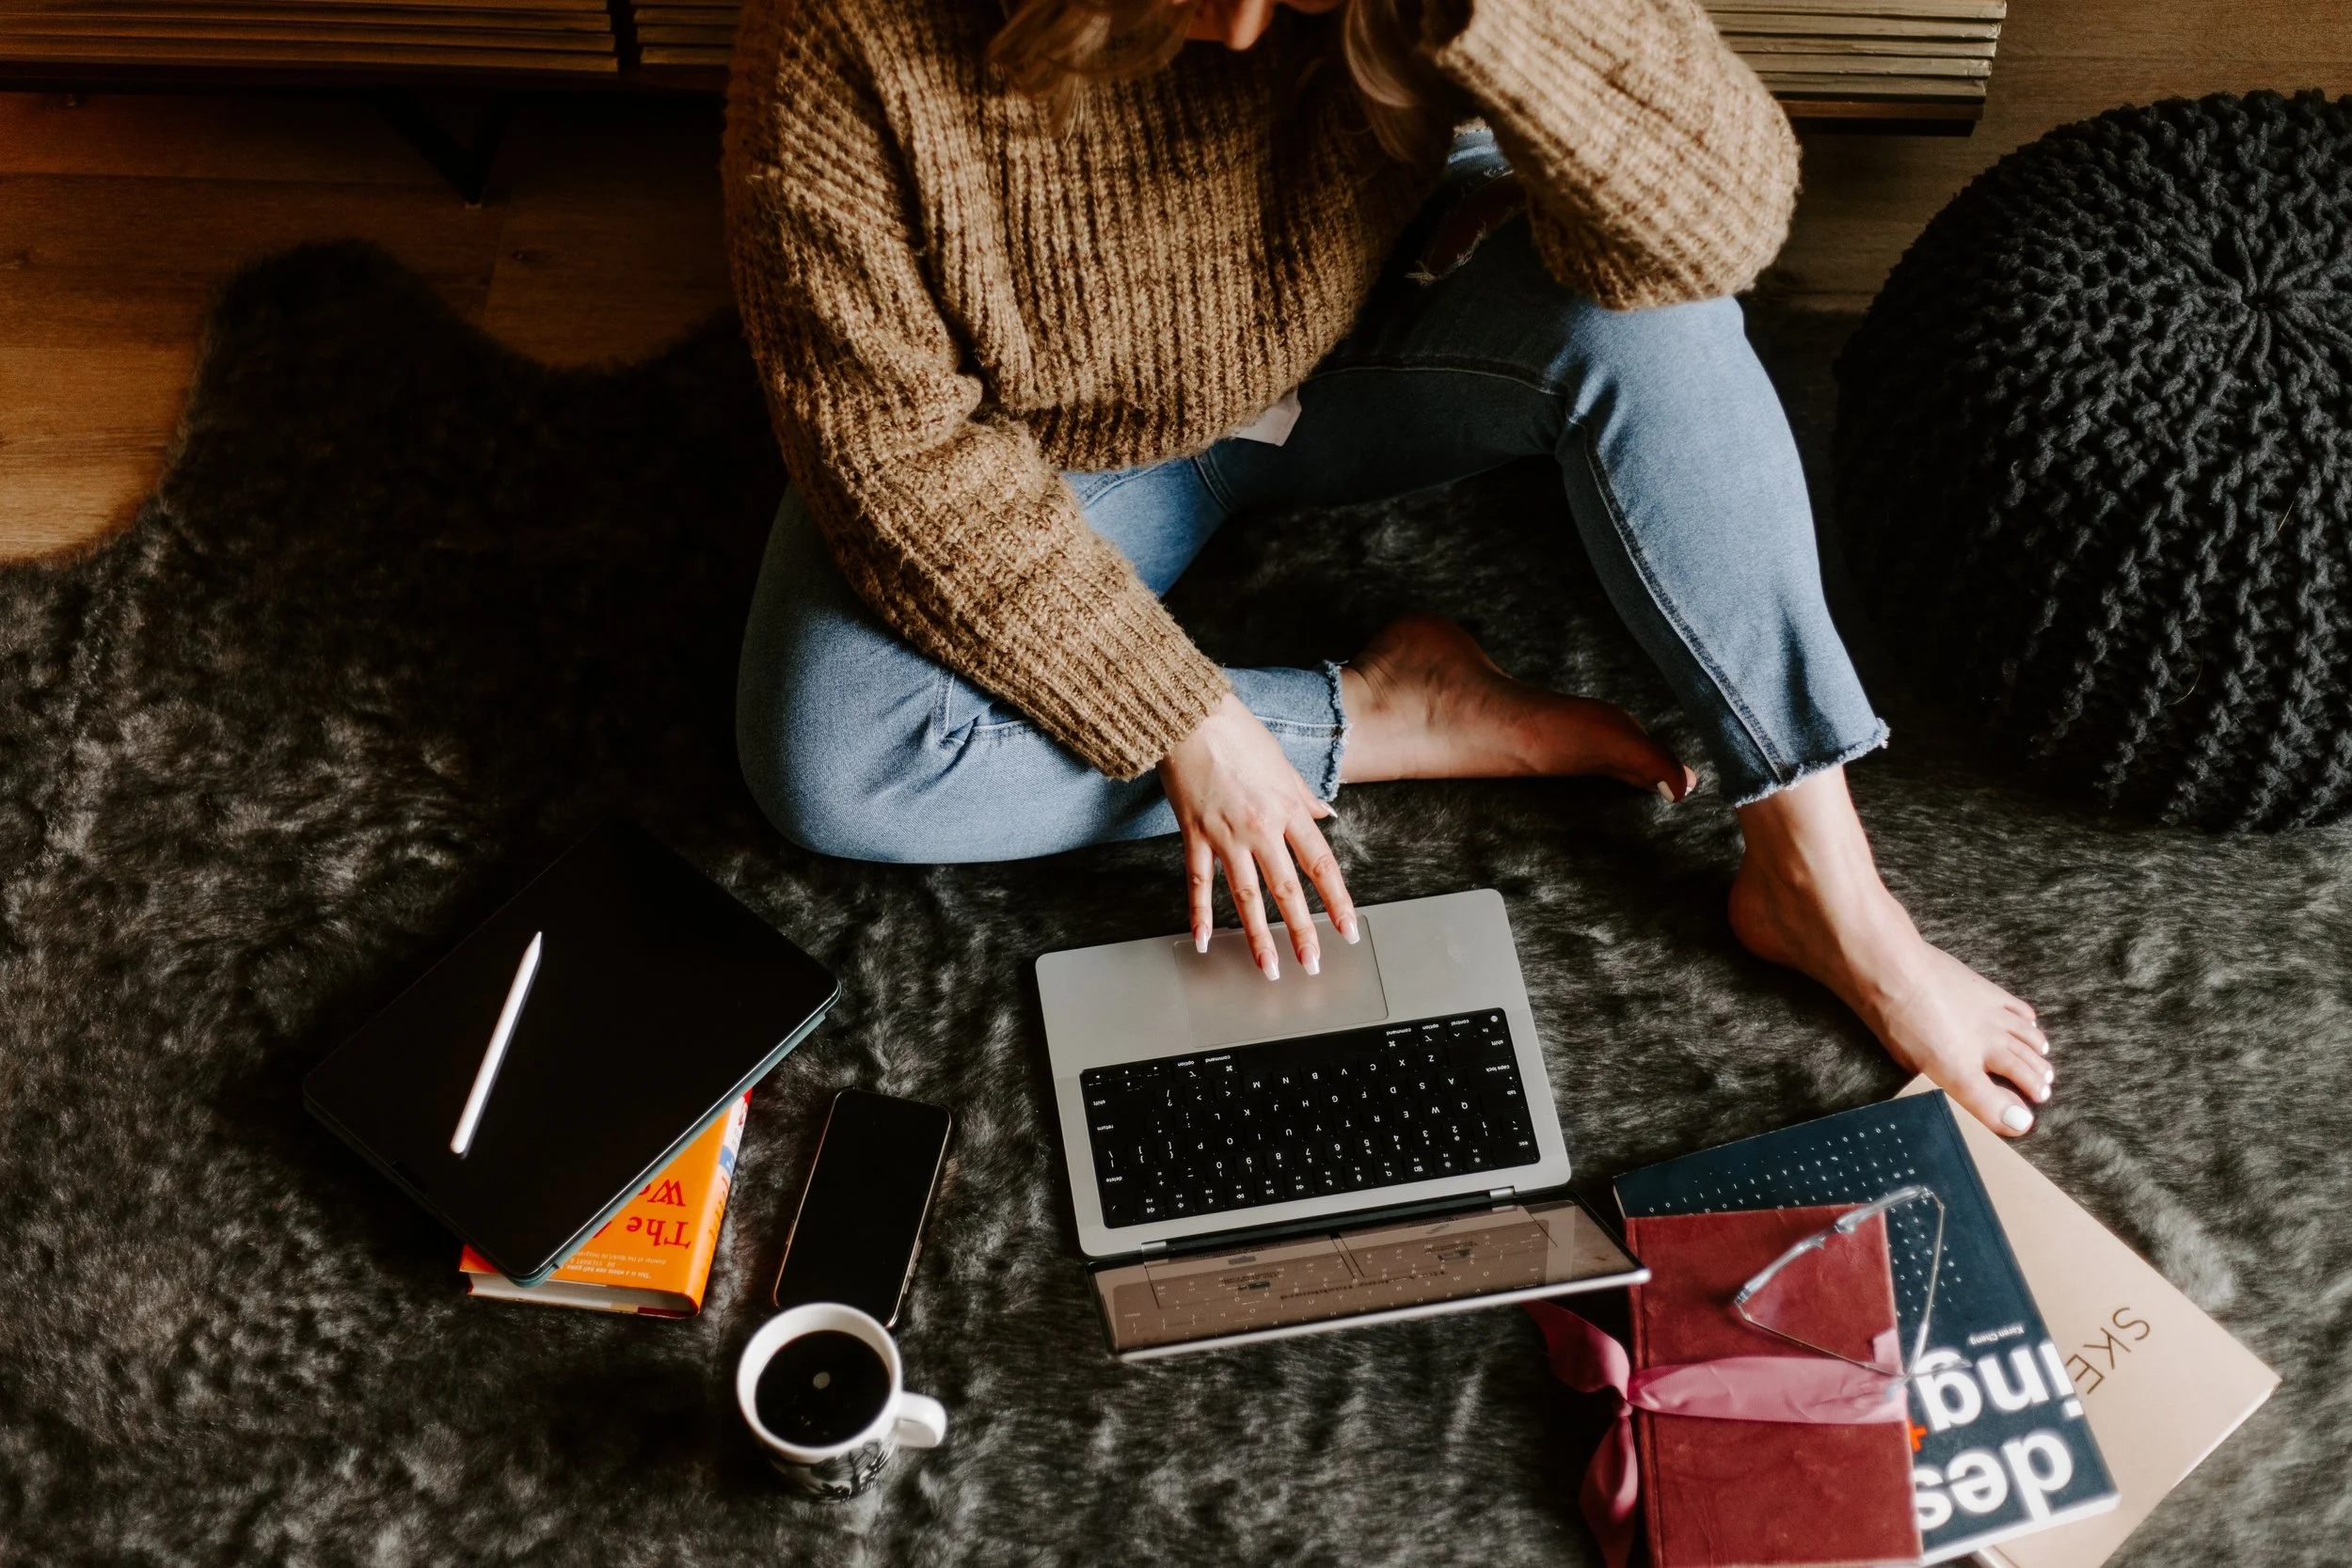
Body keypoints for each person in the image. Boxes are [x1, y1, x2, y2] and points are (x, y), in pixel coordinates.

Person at [722, 0, 2057, 1134]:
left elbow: (1711, 236)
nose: (1249, 26)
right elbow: (891, 454)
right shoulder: (844, 35)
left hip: (1369, 335)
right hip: (1048, 452)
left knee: (1655, 311)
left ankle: (1818, 876)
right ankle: (1394, 714)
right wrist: (1188, 715)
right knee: (835, 757)